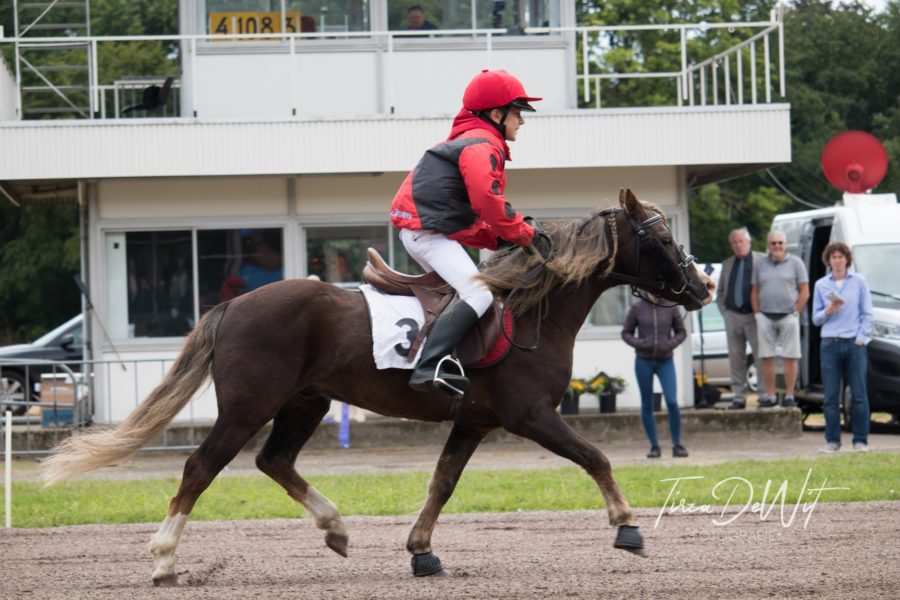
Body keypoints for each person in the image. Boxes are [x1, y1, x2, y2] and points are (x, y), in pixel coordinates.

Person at [390, 69, 543, 396]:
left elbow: (469, 219)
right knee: (478, 294)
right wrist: (526, 235)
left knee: (469, 291)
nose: (522, 121)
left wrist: (501, 237)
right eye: (517, 113)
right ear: (496, 113)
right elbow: (488, 201)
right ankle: (427, 367)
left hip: (430, 230)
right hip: (428, 234)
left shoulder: (474, 140)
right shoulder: (481, 144)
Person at [811, 242, 873, 454]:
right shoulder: (821, 285)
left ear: (847, 259)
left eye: (840, 257)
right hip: (830, 343)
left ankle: (860, 441)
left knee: (859, 394)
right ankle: (833, 441)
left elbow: (868, 313)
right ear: (828, 260)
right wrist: (829, 310)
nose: (837, 260)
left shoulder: (859, 282)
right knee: (830, 396)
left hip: (853, 344)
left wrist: (861, 338)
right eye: (833, 257)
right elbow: (816, 319)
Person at [621, 293, 689, 458]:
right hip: (643, 361)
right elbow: (626, 333)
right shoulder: (637, 307)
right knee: (647, 404)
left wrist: (669, 344)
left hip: (665, 361)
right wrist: (641, 343)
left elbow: (681, 332)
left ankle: (677, 444)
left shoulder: (671, 305)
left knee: (672, 401)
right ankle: (654, 446)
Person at [750, 230, 809, 408]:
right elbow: (754, 291)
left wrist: (796, 311)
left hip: (788, 315)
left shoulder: (796, 263)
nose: (777, 246)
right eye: (773, 243)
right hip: (765, 316)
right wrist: (757, 314)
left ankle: (790, 395)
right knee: (766, 357)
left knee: (790, 357)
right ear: (768, 245)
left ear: (784, 245)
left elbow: (804, 290)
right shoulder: (760, 264)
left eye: (780, 243)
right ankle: (771, 396)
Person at [717, 227, 764, 410]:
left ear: (748, 242)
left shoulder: (761, 260)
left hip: (754, 316)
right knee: (736, 358)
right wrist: (725, 312)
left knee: (761, 357)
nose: (738, 245)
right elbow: (720, 291)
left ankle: (764, 395)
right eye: (735, 243)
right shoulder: (727, 264)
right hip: (733, 316)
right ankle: (739, 397)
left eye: (741, 242)